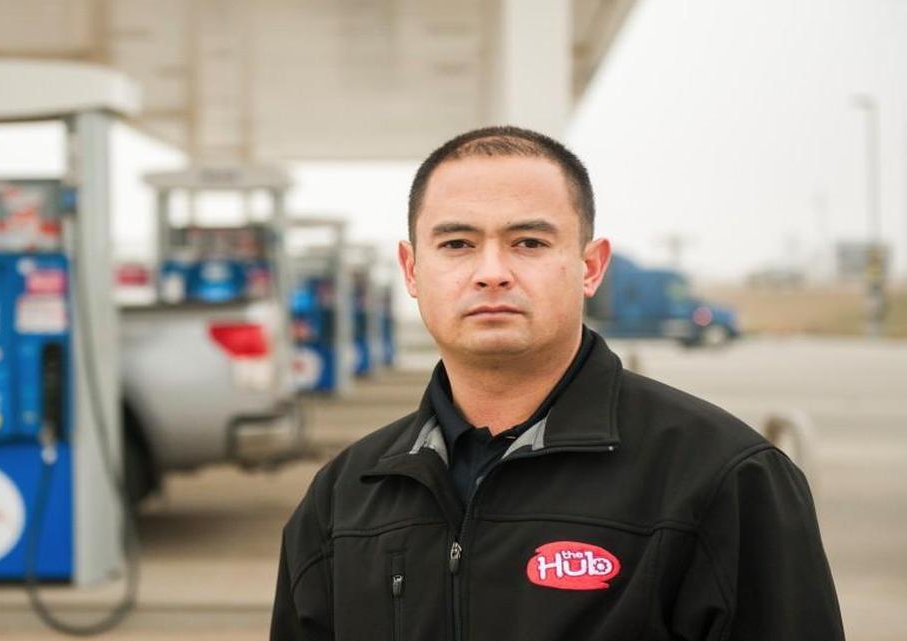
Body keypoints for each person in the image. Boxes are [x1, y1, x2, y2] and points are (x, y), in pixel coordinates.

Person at [269, 126, 844, 641]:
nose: (492, 271)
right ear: (412, 270)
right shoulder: (342, 499)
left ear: (590, 266)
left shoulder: (724, 478)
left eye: (529, 243)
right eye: (457, 244)